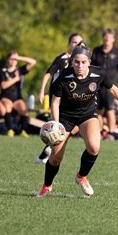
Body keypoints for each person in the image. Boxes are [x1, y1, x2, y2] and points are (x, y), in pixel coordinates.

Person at [36, 44, 118, 197]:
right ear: (72, 62)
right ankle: (47, 186)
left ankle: (81, 176)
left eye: (83, 62)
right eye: (76, 62)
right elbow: (55, 102)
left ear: (89, 62)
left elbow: (113, 88)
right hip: (66, 118)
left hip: (87, 115)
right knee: (55, 158)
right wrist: (56, 124)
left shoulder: (98, 73)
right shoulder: (64, 77)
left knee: (94, 148)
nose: (80, 65)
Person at [35, 33, 83, 163]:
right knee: (58, 127)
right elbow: (48, 74)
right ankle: (48, 154)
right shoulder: (62, 58)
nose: (77, 45)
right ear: (69, 43)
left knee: (70, 128)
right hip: (57, 98)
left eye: (80, 43)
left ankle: (46, 152)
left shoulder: (80, 62)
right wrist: (41, 92)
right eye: (74, 42)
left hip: (71, 99)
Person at [91, 28, 118, 134]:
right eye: (105, 36)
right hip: (97, 85)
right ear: (103, 38)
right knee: (97, 110)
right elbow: (91, 67)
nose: (107, 39)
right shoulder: (96, 51)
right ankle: (100, 132)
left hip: (110, 86)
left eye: (110, 37)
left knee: (110, 109)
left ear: (113, 39)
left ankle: (111, 132)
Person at [0, 51, 37, 137]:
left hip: (17, 98)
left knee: (24, 109)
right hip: (6, 97)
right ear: (7, 59)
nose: (13, 61)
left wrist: (19, 57)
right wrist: (16, 79)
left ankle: (23, 131)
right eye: (11, 59)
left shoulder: (19, 70)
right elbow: (3, 86)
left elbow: (33, 62)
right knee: (8, 106)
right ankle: (10, 130)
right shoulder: (2, 71)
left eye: (15, 59)